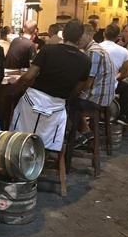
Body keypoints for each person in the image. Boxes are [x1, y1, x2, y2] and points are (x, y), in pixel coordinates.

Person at [10, 20, 91, 151]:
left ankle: (17, 151)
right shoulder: (86, 61)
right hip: (57, 108)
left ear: (63, 34)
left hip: (32, 101)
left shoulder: (48, 50)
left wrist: (16, 85)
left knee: (17, 127)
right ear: (80, 37)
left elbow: (30, 76)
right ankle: (41, 153)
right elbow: (79, 88)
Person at [71, 24, 116, 145]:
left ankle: (76, 136)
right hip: (104, 97)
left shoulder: (93, 52)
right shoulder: (96, 49)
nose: (78, 40)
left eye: (80, 36)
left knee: (64, 103)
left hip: (98, 99)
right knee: (71, 99)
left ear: (89, 35)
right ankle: (86, 132)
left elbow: (87, 83)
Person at [100, 24, 128, 89]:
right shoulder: (124, 51)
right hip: (111, 87)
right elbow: (124, 73)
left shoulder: (95, 47)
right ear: (117, 37)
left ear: (103, 34)